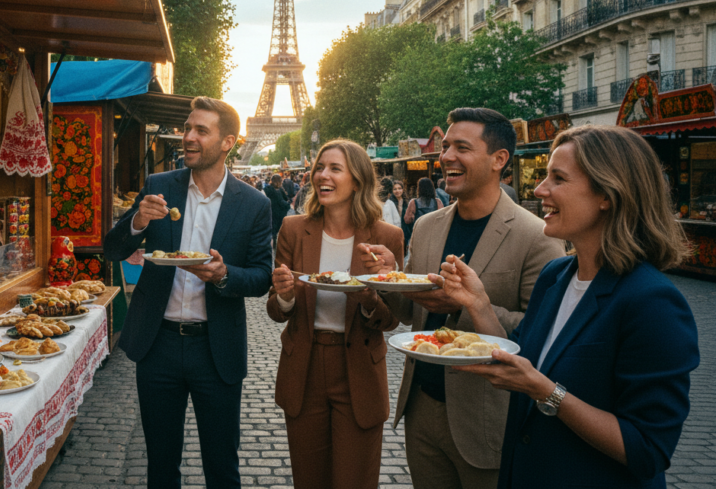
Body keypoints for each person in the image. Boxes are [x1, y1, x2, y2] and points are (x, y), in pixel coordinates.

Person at [439, 125, 699, 489]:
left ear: (607, 194)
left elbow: (648, 449)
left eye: (557, 179)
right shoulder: (556, 275)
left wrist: (547, 393)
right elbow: (523, 359)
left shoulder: (652, 301)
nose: (539, 190)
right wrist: (477, 302)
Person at [374, 107, 566, 489]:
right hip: (422, 408)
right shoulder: (427, 227)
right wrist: (387, 279)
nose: (446, 157)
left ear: (499, 160)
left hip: (484, 417)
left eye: (462, 147)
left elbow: (543, 334)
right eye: (445, 147)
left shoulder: (536, 236)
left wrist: (468, 305)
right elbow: (409, 312)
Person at [103, 96, 273, 489]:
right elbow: (113, 250)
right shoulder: (159, 188)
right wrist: (138, 220)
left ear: (228, 141)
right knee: (160, 466)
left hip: (216, 350)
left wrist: (224, 274)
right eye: (187, 128)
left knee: (222, 466)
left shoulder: (253, 204)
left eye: (201, 131)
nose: (188, 138)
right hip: (158, 345)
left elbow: (262, 276)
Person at [268, 139, 403, 489]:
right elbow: (276, 309)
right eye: (319, 168)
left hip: (357, 369)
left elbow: (394, 318)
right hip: (305, 369)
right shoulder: (294, 229)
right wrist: (284, 296)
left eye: (335, 169)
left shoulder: (387, 236)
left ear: (357, 181)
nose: (322, 175)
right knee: (308, 480)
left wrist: (371, 297)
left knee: (354, 481)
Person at [265, 173, 291, 240]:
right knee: (279, 230)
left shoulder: (267, 189)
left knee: (272, 230)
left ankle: (273, 243)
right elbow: (284, 199)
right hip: (280, 213)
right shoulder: (280, 190)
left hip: (270, 212)